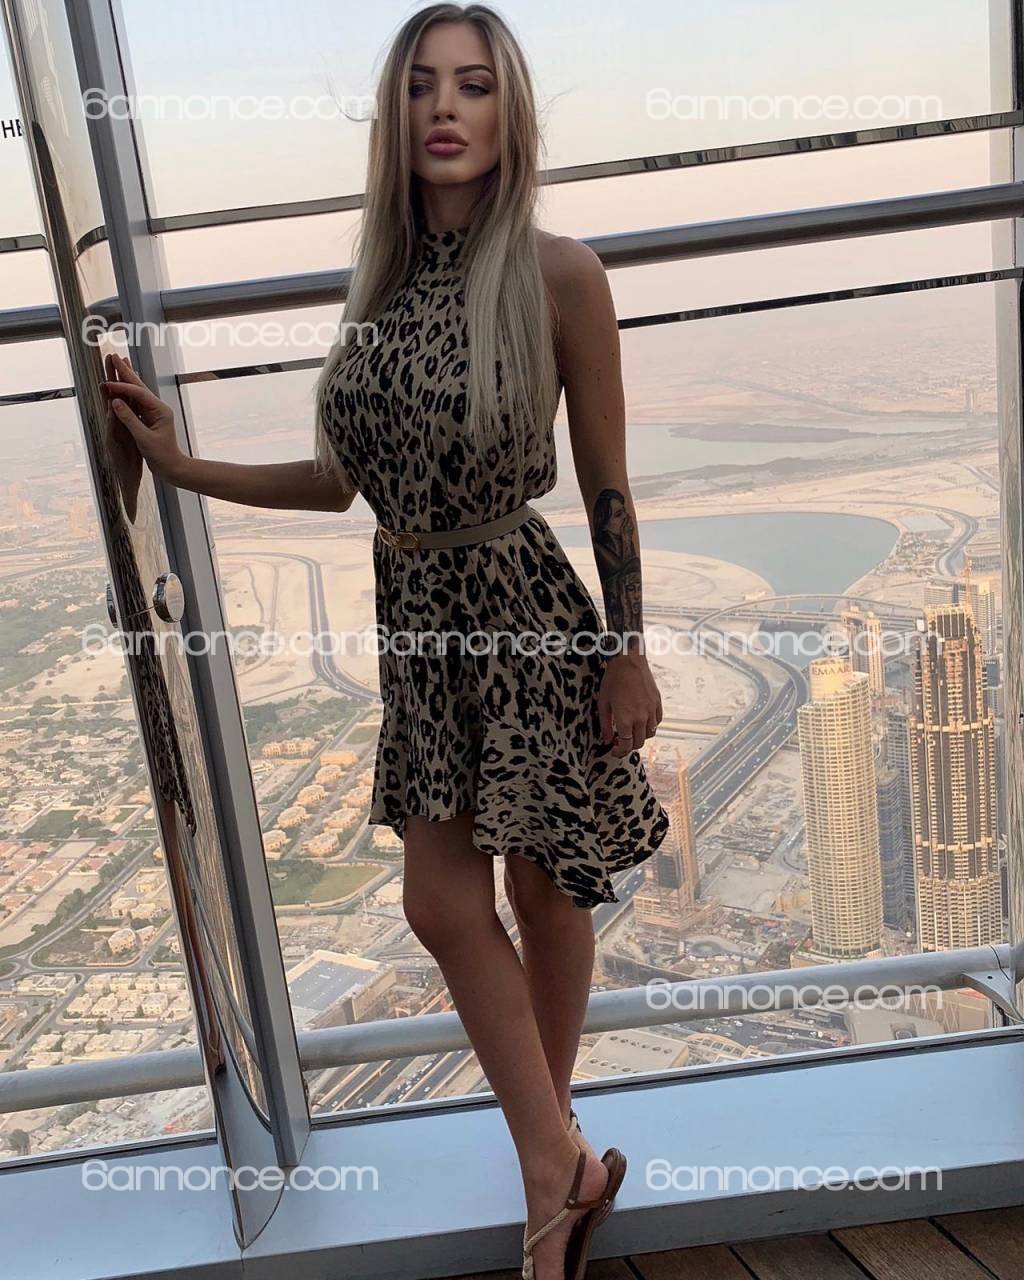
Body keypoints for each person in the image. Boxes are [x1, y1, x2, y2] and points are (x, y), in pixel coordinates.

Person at [101, 6, 670, 1275]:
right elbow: (336, 482)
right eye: (420, 87)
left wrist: (628, 651)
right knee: (441, 899)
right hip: (416, 620)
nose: (444, 108)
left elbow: (607, 485)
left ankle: (547, 1169)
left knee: (545, 885)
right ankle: (558, 1160)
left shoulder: (559, 274)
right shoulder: (380, 286)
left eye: (472, 84)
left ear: (510, 112)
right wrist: (180, 464)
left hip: (520, 607)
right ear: (394, 118)